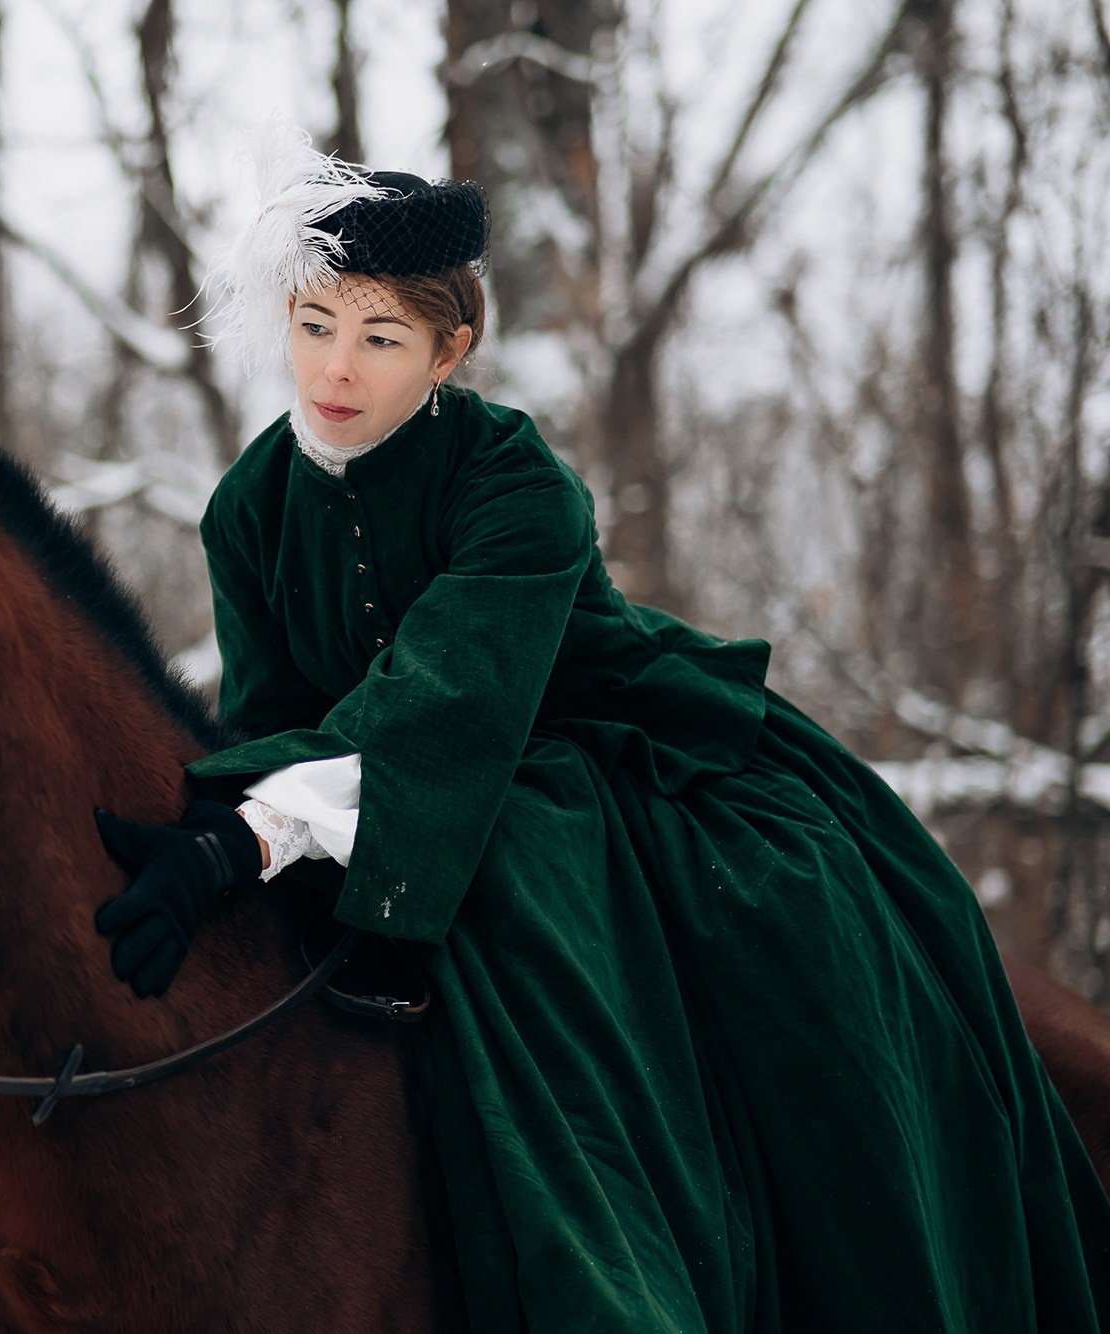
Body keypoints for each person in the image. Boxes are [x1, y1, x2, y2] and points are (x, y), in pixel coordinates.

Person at [90, 132, 1110, 1330]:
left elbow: (451, 693)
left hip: (606, 753)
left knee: (714, 935)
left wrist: (244, 836)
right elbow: (269, 714)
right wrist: (241, 829)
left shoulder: (515, 480)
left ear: (445, 350)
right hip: (380, 790)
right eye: (315, 325)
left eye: (378, 338)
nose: (335, 367)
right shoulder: (247, 503)